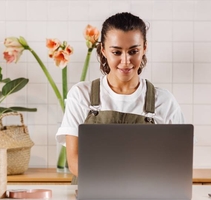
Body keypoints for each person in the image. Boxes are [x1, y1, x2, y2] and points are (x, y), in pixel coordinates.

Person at [55, 12, 184, 183]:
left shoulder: (164, 100)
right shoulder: (81, 95)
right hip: (92, 198)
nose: (125, 61)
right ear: (103, 50)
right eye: (116, 52)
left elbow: (178, 161)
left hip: (147, 197)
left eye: (133, 51)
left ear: (144, 48)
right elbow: (74, 161)